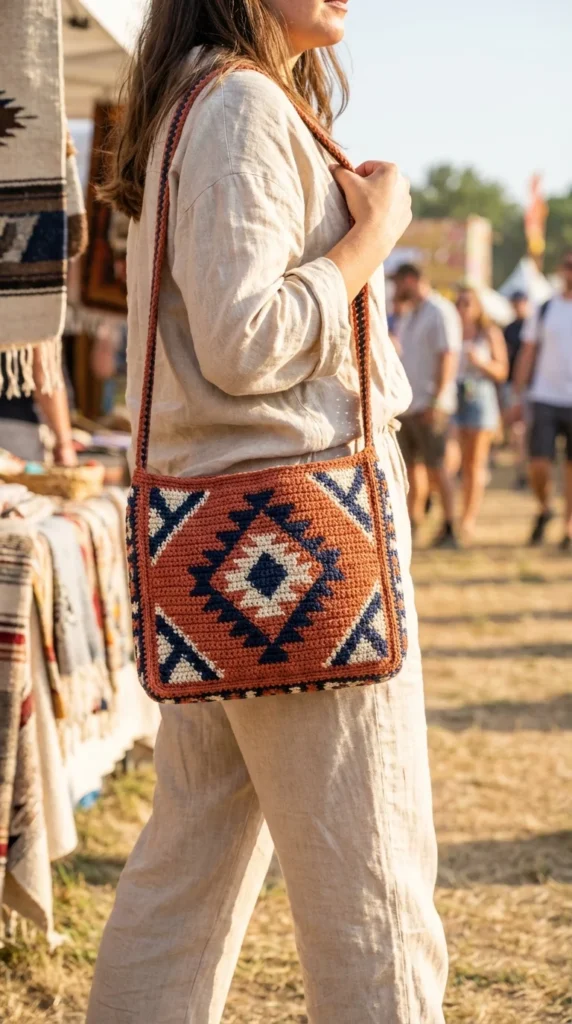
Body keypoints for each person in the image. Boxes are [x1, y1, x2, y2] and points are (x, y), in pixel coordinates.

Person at [85, 2, 448, 1023]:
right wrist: (371, 237)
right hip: (296, 545)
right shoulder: (239, 103)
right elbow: (245, 338)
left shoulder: (211, 99)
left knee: (185, 877)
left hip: (227, 547)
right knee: (372, 896)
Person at [392, 263, 462, 548]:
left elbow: (448, 356)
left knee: (438, 467)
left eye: (398, 282)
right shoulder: (410, 315)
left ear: (412, 279)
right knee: (412, 470)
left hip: (431, 405)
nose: (396, 289)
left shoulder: (440, 311)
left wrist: (436, 398)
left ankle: (450, 525)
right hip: (410, 405)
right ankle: (413, 522)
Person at [514, 251, 572, 550]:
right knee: (539, 464)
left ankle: (568, 526)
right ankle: (545, 508)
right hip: (545, 396)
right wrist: (517, 393)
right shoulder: (546, 307)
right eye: (568, 265)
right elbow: (528, 351)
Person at [453, 287, 508, 542]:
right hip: (455, 397)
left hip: (481, 398)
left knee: (475, 463)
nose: (462, 308)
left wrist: (481, 363)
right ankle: (451, 513)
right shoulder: (453, 331)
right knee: (453, 460)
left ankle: (468, 518)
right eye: (459, 303)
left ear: (478, 307)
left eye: (467, 303)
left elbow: (502, 371)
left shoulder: (489, 333)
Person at [502, 290, 530, 488]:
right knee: (516, 431)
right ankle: (522, 471)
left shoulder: (534, 324)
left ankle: (524, 471)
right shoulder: (509, 328)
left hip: (531, 387)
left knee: (522, 431)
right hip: (513, 385)